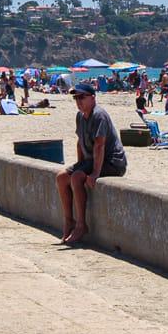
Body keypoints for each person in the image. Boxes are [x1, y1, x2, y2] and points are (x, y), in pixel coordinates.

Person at [56, 81, 125, 244]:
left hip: (112, 161)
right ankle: (68, 221)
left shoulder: (99, 115)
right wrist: (80, 164)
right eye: (76, 98)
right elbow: (80, 142)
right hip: (92, 159)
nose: (79, 101)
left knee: (77, 177)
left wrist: (94, 173)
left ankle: (81, 225)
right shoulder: (80, 116)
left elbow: (100, 145)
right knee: (61, 177)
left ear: (92, 98)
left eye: (82, 97)